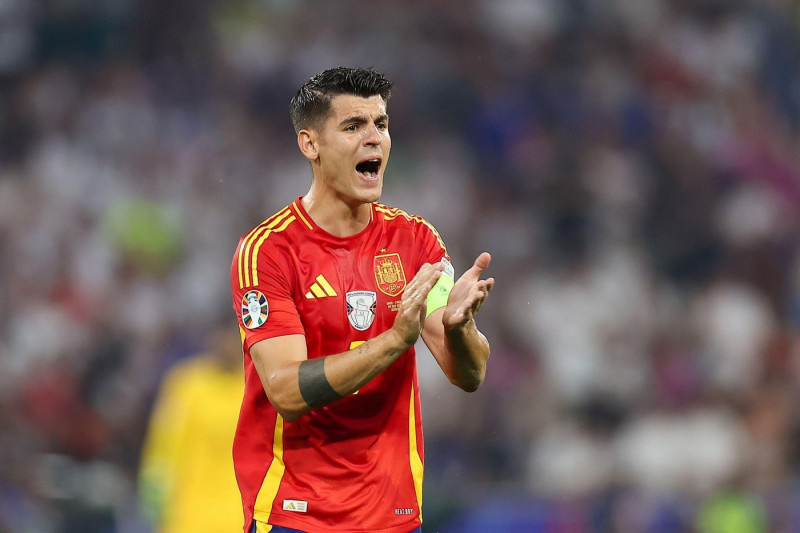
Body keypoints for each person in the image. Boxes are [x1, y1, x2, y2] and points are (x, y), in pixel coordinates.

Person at [230, 66, 494, 533]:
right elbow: (287, 392)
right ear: (310, 144)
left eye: (382, 124)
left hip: (391, 512)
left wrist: (460, 329)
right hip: (295, 512)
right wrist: (395, 341)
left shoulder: (416, 242)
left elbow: (468, 375)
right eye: (353, 126)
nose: (374, 139)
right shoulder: (268, 251)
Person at [138, 320, 244, 533]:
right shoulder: (187, 384)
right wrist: (154, 506)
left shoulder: (258, 386)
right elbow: (163, 448)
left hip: (239, 518)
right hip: (187, 518)